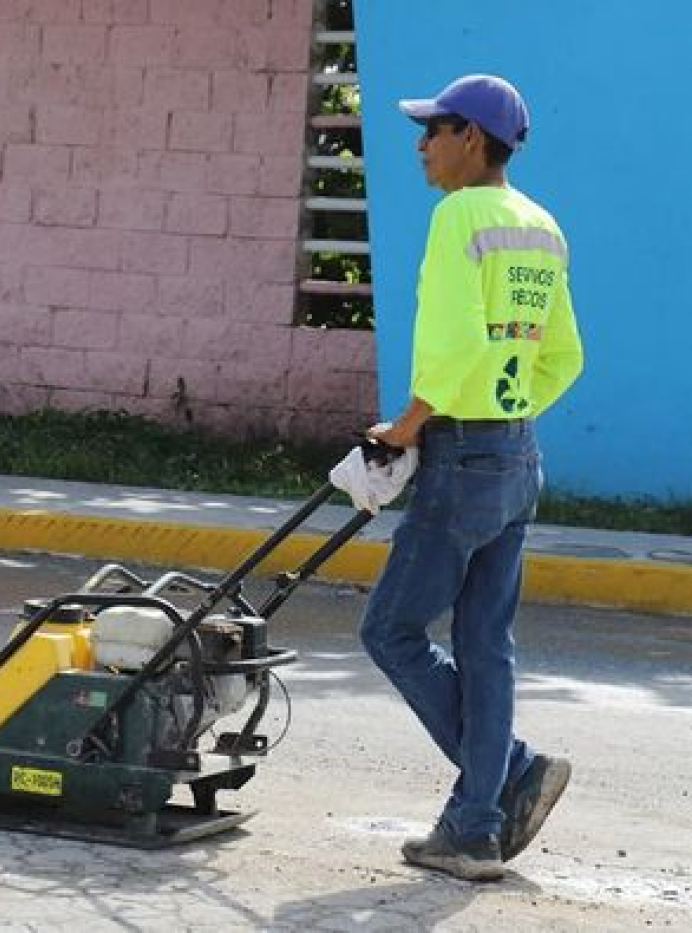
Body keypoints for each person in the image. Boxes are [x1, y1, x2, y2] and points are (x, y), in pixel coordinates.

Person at [360, 74, 584, 882]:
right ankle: (475, 828)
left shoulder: (460, 216)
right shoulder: (541, 225)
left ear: (473, 140)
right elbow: (563, 355)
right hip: (518, 454)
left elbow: (453, 347)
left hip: (460, 455)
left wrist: (408, 426)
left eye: (435, 129)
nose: (421, 144)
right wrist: (507, 404)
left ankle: (501, 783)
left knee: (389, 629)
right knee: (486, 645)